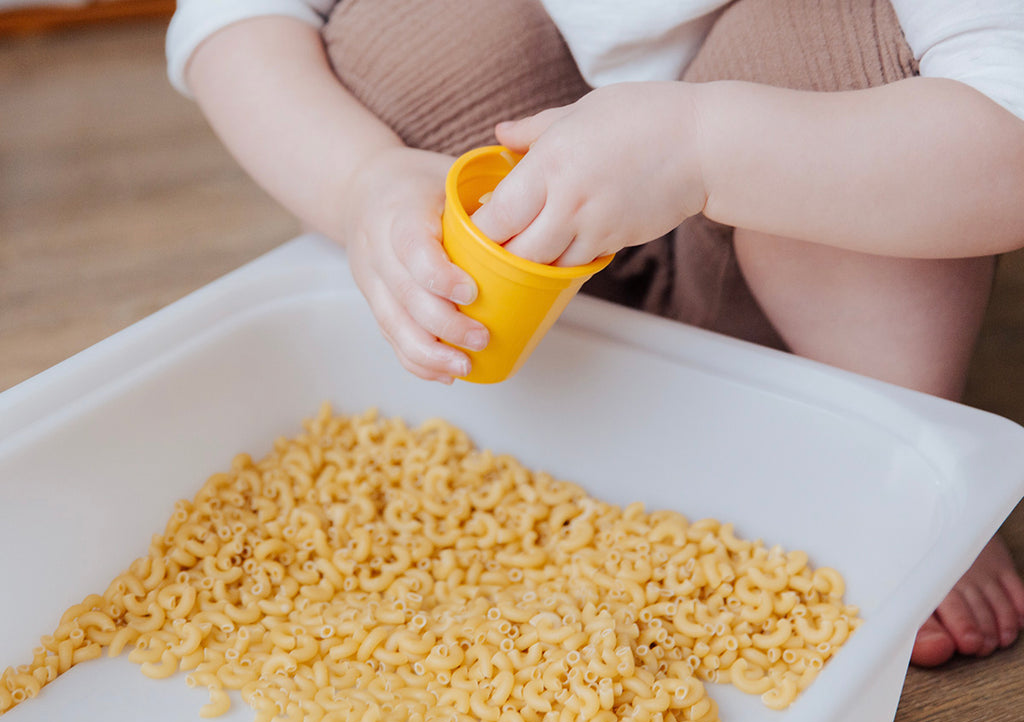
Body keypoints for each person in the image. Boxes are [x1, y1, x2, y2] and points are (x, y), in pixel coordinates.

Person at [166, 0, 1024, 667]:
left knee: (846, 50)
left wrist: (705, 149)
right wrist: (364, 182)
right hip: (534, 267)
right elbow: (234, 23)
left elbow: (1008, 137)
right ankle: (561, 351)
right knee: (405, 35)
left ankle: (894, 441)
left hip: (791, 247)